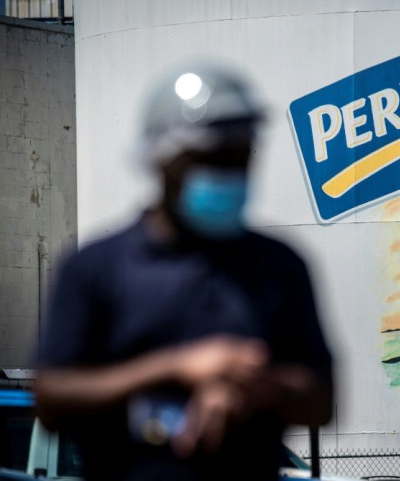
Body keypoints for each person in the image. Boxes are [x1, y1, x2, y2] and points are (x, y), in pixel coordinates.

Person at [34, 65, 333, 481]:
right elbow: (52, 397)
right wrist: (175, 368)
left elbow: (323, 399)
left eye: (241, 157)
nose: (230, 172)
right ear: (162, 162)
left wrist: (250, 383)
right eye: (212, 159)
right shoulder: (97, 268)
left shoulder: (281, 266)